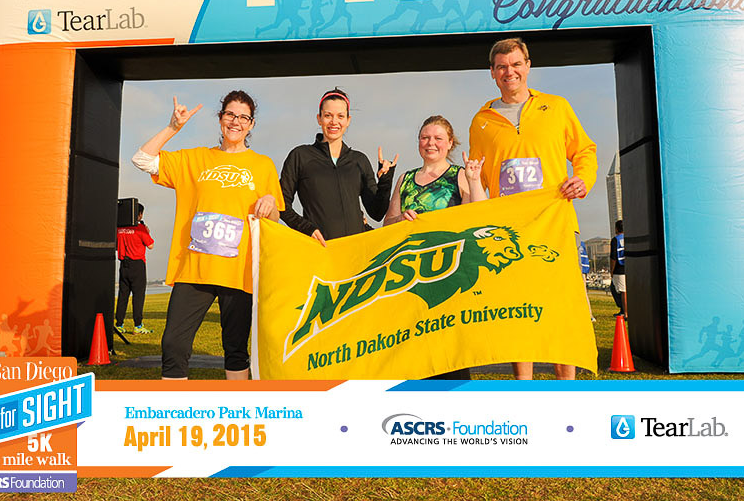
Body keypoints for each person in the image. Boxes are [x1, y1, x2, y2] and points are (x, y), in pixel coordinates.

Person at [469, 38, 598, 380]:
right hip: (510, 231)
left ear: (527, 66)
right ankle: (522, 389)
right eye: (501, 67)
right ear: (492, 73)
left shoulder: (556, 107)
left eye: (515, 64)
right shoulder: (480, 121)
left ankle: (566, 388)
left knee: (560, 311)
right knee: (518, 312)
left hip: (554, 225)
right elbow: (478, 179)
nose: (509, 72)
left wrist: (583, 179)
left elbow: (584, 151)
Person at [132, 91, 284, 380]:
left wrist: (270, 202)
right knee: (173, 344)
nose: (236, 121)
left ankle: (238, 406)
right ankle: (172, 406)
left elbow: (273, 218)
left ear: (251, 124)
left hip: (238, 271)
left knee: (236, 349)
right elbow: (142, 159)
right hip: (195, 269)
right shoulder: (195, 158)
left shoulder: (263, 165)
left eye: (243, 117)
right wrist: (173, 128)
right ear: (220, 118)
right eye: (230, 114)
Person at [385, 115, 486, 379]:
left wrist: (475, 181)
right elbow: (388, 224)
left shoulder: (460, 175)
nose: (431, 143)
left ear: (450, 143)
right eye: (425, 137)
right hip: (411, 278)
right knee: (414, 353)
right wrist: (401, 219)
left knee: (450, 354)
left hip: (449, 275)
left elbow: (481, 216)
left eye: (438, 138)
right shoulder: (405, 179)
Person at [280, 88, 397, 244]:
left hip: (357, 250)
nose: (334, 122)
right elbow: (281, 204)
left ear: (348, 120)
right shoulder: (300, 156)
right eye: (328, 115)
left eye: (340, 116)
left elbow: (377, 213)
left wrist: (385, 181)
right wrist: (307, 229)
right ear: (319, 119)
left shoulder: (359, 160)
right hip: (320, 250)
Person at [115, 203, 155, 334]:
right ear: (139, 214)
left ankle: (119, 324)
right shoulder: (140, 228)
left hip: (123, 265)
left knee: (123, 295)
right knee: (138, 296)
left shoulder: (119, 229)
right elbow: (151, 245)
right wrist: (147, 231)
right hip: (137, 265)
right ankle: (138, 325)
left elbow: (116, 246)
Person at [610, 219, 627, 318]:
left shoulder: (615, 240)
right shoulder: (627, 238)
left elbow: (613, 257)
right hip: (628, 268)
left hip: (619, 269)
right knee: (620, 290)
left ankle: (625, 313)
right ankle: (623, 310)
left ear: (616, 229)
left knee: (622, 291)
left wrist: (611, 270)